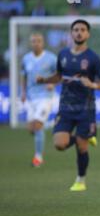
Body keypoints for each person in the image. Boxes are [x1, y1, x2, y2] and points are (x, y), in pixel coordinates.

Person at [37, 19, 100, 191]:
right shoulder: (63, 54)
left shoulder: (93, 58)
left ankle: (80, 180)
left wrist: (93, 85)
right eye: (76, 29)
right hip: (66, 107)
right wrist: (44, 80)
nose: (79, 32)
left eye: (82, 30)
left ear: (88, 34)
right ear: (71, 33)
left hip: (86, 108)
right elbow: (58, 76)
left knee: (82, 145)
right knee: (59, 144)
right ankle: (86, 136)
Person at [20, 32, 57, 167]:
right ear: (31, 43)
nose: (36, 43)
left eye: (39, 41)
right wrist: (22, 93)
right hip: (31, 96)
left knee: (37, 125)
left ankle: (38, 157)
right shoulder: (26, 59)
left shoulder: (51, 58)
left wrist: (52, 83)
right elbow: (23, 76)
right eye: (34, 41)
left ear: (43, 43)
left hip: (45, 97)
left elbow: (59, 74)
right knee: (31, 129)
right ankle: (52, 124)